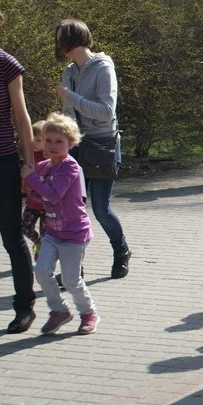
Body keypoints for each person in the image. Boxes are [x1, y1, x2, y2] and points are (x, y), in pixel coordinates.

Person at [54, 19, 132, 279]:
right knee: (72, 210)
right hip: (75, 147)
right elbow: (68, 113)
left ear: (72, 40)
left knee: (100, 209)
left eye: (60, 38)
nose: (57, 44)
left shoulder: (103, 68)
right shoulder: (69, 72)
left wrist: (71, 98)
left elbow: (106, 112)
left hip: (101, 145)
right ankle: (73, 269)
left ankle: (121, 251)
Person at [0, 0, 37, 333]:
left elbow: (22, 116)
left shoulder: (5, 64)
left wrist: (29, 163)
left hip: (1, 159)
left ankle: (24, 307)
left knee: (11, 237)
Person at [22, 114, 99, 335]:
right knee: (42, 271)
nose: (53, 146)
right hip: (53, 232)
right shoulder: (44, 166)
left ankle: (89, 313)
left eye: (59, 142)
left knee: (71, 279)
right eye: (48, 140)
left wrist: (31, 178)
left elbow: (54, 195)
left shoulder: (70, 167)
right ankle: (59, 310)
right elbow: (35, 189)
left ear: (70, 143)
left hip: (75, 234)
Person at [21, 120, 47, 260]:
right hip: (32, 203)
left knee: (46, 233)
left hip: (46, 206)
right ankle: (38, 242)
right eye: (33, 140)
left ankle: (45, 257)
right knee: (25, 227)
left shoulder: (50, 159)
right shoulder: (30, 156)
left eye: (38, 140)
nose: (34, 143)